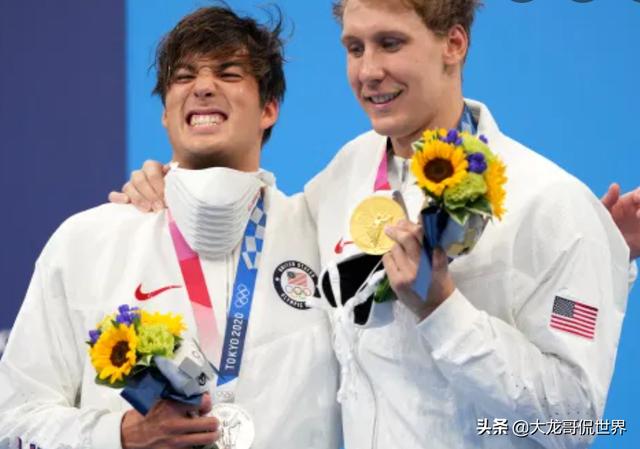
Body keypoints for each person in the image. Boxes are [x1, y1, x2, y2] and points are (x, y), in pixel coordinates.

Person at [112, 1, 636, 448]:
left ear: (454, 44)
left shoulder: (549, 202)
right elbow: (259, 226)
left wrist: (442, 310)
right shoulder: (348, 172)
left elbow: (574, 422)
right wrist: (172, 184)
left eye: (390, 43)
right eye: (354, 47)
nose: (368, 71)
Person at [0, 6, 340, 449]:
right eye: (183, 76)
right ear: (165, 112)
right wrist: (118, 435)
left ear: (269, 109)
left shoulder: (318, 232)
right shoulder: (86, 241)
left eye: (229, 73)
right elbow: (12, 420)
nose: (203, 86)